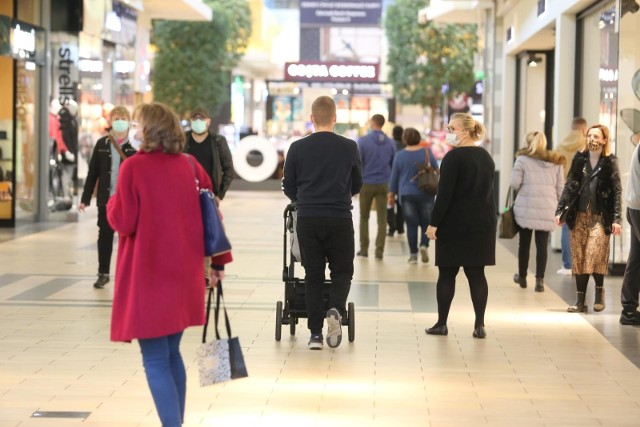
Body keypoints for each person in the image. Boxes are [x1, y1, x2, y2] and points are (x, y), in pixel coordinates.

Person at [107, 102, 232, 427]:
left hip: (148, 276)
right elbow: (212, 218)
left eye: (137, 124)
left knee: (154, 359)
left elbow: (124, 221)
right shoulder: (190, 165)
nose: (133, 129)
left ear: (148, 131)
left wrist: (110, 202)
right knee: (171, 353)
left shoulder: (134, 168)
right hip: (185, 275)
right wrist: (218, 262)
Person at [282, 95, 363, 350]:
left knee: (313, 275)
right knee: (342, 271)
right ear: (335, 119)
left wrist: (303, 201)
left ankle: (315, 334)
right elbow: (357, 183)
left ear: (312, 119)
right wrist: (339, 197)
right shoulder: (349, 147)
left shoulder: (297, 147)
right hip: (339, 217)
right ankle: (336, 309)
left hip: (308, 218)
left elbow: (288, 185)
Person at [425, 113, 496, 339]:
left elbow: (444, 195)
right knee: (477, 274)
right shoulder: (486, 157)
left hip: (454, 224)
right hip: (481, 224)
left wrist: (433, 223)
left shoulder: (453, 158)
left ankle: (442, 323)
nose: (449, 131)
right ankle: (479, 324)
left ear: (465, 131)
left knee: (447, 275)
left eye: (452, 128)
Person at [555, 124, 622, 313]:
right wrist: (560, 210)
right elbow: (569, 186)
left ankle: (599, 291)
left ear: (604, 140)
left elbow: (617, 191)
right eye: (589, 135)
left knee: (594, 254)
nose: (592, 139)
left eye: (596, 136)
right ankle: (580, 301)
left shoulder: (610, 162)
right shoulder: (579, 159)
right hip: (579, 215)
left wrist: (617, 219)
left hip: (601, 217)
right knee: (580, 258)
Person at [78, 106, 138, 289]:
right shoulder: (102, 144)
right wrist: (85, 198)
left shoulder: (135, 145)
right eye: (116, 118)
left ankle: (126, 274)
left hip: (128, 200)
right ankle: (103, 273)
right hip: (107, 200)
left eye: (122, 117)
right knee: (104, 236)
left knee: (127, 238)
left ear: (129, 120)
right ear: (111, 121)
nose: (119, 120)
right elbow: (93, 172)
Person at [511, 131, 564, 292]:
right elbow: (560, 188)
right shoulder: (556, 162)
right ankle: (539, 281)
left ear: (528, 143)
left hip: (526, 207)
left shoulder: (522, 160)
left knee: (524, 244)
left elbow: (514, 184)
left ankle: (522, 276)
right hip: (547, 208)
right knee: (542, 246)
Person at [388, 127, 438, 264]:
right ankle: (424, 245)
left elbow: (394, 176)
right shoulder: (426, 152)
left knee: (411, 225)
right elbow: (435, 167)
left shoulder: (400, 155)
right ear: (418, 138)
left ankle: (413, 255)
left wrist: (391, 193)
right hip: (426, 192)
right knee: (426, 223)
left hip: (406, 194)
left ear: (405, 139)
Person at [356, 114, 396, 259]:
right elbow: (393, 165)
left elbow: (358, 163)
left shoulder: (363, 141)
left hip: (366, 183)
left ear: (373, 123)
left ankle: (364, 249)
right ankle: (379, 251)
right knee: (382, 218)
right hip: (384, 184)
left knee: (364, 217)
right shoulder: (391, 143)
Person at [556, 117, 587, 275]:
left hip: (566, 188)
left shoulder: (561, 145)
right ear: (583, 129)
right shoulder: (586, 145)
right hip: (582, 189)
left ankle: (567, 265)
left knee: (566, 225)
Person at [184, 107, 234, 204]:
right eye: (195, 119)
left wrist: (219, 195)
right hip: (186, 193)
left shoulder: (218, 141)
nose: (198, 121)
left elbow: (229, 170)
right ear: (191, 121)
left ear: (208, 121)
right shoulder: (182, 140)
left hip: (210, 195)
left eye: (202, 119)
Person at [620, 143, 640, 325]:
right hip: (639, 208)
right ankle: (628, 309)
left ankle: (628, 310)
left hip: (635, 207)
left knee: (636, 259)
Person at [387, 125, 406, 237]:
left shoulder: (389, 145)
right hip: (402, 179)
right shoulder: (405, 146)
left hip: (389, 178)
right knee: (400, 204)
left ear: (393, 133)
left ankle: (391, 227)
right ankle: (400, 227)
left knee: (389, 203)